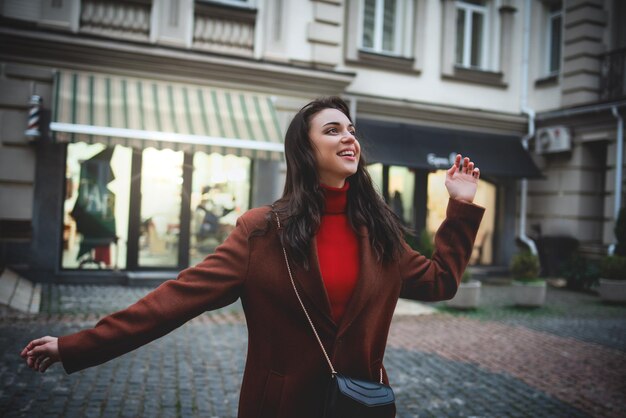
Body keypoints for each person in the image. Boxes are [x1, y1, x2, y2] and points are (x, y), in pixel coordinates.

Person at [21, 97, 484, 418]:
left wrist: (460, 207)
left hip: (361, 408)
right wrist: (75, 345)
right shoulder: (262, 230)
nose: (349, 139)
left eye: (351, 130)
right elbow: (176, 299)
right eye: (332, 129)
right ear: (305, 149)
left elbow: (441, 281)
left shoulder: (379, 232)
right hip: (280, 410)